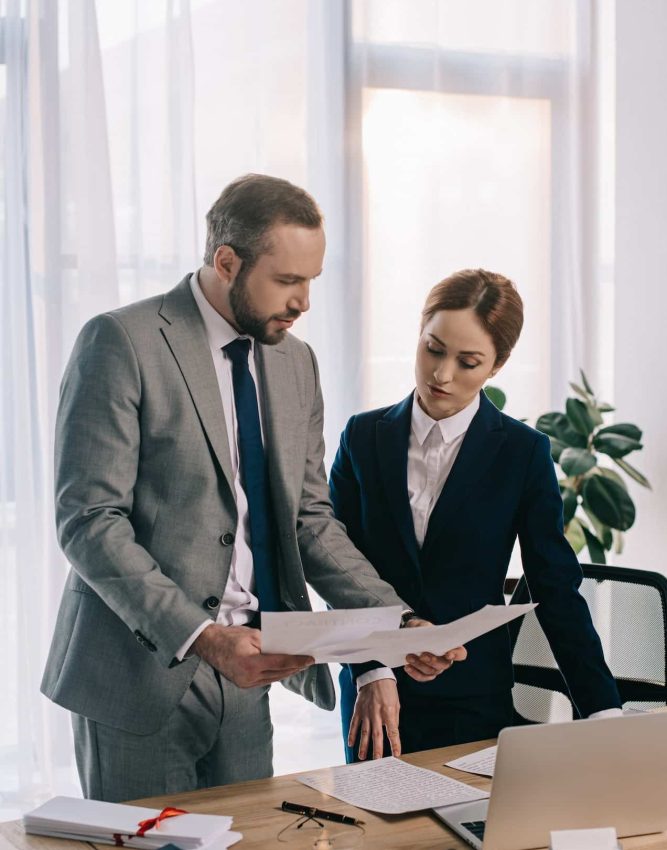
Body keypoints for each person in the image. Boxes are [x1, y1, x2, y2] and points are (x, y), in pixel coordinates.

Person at [41, 174, 465, 802]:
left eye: (312, 281)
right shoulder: (121, 342)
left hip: (250, 680)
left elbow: (311, 521)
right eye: (288, 281)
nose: (303, 303)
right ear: (227, 262)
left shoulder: (297, 363)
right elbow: (89, 520)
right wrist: (204, 638)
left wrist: (396, 625)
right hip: (138, 675)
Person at [330, 269, 622, 762]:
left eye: (468, 362)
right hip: (377, 691)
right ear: (420, 331)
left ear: (497, 365)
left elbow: (554, 585)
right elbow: (336, 564)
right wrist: (373, 669)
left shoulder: (524, 453)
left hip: (472, 698)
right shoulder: (363, 436)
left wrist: (603, 711)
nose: (442, 374)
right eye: (433, 348)